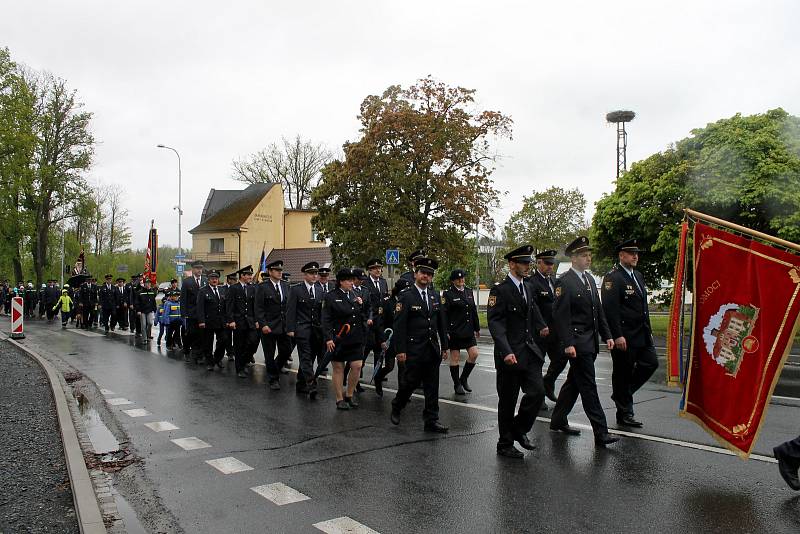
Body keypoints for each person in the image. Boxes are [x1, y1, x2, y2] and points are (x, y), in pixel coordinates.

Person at [550, 236, 619, 448]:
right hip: (578, 343)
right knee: (588, 386)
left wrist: (607, 335)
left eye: (589, 255)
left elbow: (598, 311)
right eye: (584, 255)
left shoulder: (589, 280)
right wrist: (568, 343)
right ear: (574, 258)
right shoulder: (565, 281)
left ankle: (558, 419)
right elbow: (561, 316)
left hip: (591, 341)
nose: (588, 259)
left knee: (574, 383)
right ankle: (601, 432)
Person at [488, 245, 548, 458]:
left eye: (528, 262)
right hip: (510, 355)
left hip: (529, 351)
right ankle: (504, 444)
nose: (527, 266)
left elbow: (533, 309)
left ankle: (518, 429)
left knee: (537, 392)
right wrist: (505, 351)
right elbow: (495, 324)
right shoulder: (500, 290)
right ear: (512, 264)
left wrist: (542, 325)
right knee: (508, 401)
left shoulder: (528, 287)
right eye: (523, 262)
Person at [601, 238, 659, 428]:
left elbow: (643, 308)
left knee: (651, 363)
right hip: (624, 335)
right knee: (622, 373)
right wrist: (617, 335)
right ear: (621, 255)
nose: (635, 256)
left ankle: (621, 395)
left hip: (641, 333)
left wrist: (649, 330)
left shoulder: (638, 276)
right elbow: (611, 310)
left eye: (637, 253)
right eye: (631, 253)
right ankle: (625, 413)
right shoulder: (613, 277)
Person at [390, 257, 449, 433]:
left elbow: (441, 323)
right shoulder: (406, 296)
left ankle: (431, 419)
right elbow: (399, 325)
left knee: (432, 386)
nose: (426, 277)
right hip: (413, 348)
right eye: (423, 273)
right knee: (410, 382)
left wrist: (444, 346)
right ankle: (397, 406)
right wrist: (400, 350)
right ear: (416, 274)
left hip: (431, 348)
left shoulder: (434, 295)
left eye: (429, 274)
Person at [321, 268, 367, 409]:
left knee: (357, 366)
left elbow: (362, 315)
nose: (352, 283)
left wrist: (361, 305)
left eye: (352, 280)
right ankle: (339, 398)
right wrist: (329, 338)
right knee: (339, 368)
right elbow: (326, 319)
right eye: (348, 280)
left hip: (355, 337)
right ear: (341, 282)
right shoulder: (331, 296)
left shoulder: (355, 294)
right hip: (339, 337)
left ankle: (349, 395)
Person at [286, 261, 324, 398]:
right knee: (306, 357)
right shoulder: (296, 289)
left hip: (315, 330)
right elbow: (290, 310)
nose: (314, 276)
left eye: (316, 273)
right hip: (301, 328)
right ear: (305, 274)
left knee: (311, 357)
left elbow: (321, 312)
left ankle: (301, 383)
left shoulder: (320, 290)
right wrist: (290, 328)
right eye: (311, 274)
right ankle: (311, 383)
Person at [530, 250, 563, 405]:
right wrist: (541, 325)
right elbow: (533, 306)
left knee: (561, 358)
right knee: (537, 363)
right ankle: (539, 396)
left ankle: (548, 383)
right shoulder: (532, 282)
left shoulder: (554, 281)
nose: (551, 266)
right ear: (539, 263)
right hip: (540, 332)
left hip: (556, 330)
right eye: (547, 263)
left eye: (552, 263)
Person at [442, 269, 481, 396]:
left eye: (463, 278)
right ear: (453, 281)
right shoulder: (448, 294)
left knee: (474, 354)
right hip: (455, 330)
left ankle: (463, 378)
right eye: (458, 279)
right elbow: (444, 314)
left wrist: (477, 327)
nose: (461, 280)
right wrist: (446, 330)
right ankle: (457, 384)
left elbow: (473, 310)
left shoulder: (469, 291)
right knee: (455, 358)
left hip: (468, 329)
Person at [255, 260, 292, 390]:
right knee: (269, 354)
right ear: (270, 272)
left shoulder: (286, 285)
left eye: (281, 270)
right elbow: (258, 308)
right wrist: (263, 324)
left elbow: (289, 307)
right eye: (277, 270)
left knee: (287, 350)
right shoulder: (262, 287)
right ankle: (273, 379)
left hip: (283, 325)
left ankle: (275, 368)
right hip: (269, 326)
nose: (280, 273)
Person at [373, 278, 412, 397]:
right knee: (389, 366)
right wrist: (382, 340)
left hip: (403, 339)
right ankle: (378, 379)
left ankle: (402, 392)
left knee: (403, 366)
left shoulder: (408, 301)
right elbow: (379, 323)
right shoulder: (386, 302)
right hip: (390, 338)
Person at [226, 265, 259, 378]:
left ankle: (244, 361)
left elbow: (254, 306)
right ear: (242, 276)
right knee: (239, 346)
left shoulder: (252, 288)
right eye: (248, 275)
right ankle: (239, 368)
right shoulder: (233, 288)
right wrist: (231, 320)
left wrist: (256, 320)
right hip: (238, 321)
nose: (250, 277)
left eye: (251, 274)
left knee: (253, 342)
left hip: (250, 321)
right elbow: (229, 306)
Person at [197, 270, 229, 371]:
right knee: (208, 343)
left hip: (221, 321)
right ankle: (209, 362)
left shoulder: (222, 290)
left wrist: (227, 319)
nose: (214, 280)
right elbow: (200, 307)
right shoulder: (203, 291)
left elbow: (225, 306)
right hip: (208, 321)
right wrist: (201, 321)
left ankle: (217, 358)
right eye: (212, 278)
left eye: (216, 278)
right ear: (208, 279)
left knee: (224, 340)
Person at [181, 260, 206, 363]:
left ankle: (199, 355)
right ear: (193, 269)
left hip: (203, 314)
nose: (199, 270)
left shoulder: (205, 280)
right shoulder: (187, 282)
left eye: (200, 268)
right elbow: (183, 299)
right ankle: (188, 352)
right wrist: (184, 314)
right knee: (191, 334)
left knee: (202, 335)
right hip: (191, 314)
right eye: (197, 268)